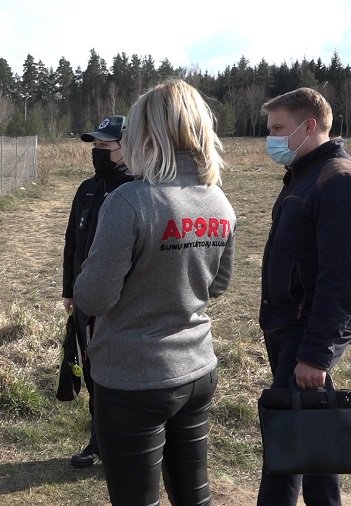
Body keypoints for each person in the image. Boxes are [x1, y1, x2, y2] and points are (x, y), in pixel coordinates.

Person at [74, 79, 236, 505]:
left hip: (133, 377)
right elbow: (218, 285)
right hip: (198, 368)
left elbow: (93, 298)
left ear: (148, 134)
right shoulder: (218, 201)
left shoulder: (131, 200)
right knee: (194, 495)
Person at [256, 88, 351, 506]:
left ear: (309, 126)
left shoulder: (341, 180)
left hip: (308, 329)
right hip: (289, 324)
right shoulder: (306, 174)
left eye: (277, 129)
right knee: (307, 427)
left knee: (288, 433)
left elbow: (341, 277)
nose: (270, 138)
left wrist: (317, 352)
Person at [61, 114, 134, 468]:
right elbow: (72, 243)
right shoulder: (87, 190)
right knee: (91, 374)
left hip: (121, 305)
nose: (98, 152)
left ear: (128, 147)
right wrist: (69, 290)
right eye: (96, 145)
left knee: (119, 379)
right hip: (86, 300)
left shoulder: (135, 192)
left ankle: (128, 445)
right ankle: (99, 439)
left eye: (107, 145)